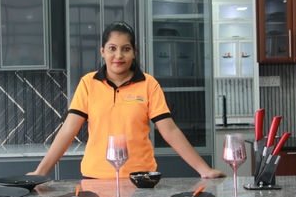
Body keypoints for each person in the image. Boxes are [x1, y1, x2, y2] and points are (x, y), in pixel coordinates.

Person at [29, 21, 225, 179]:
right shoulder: (88, 83)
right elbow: (68, 130)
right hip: (96, 178)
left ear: (134, 52)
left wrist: (204, 169)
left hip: (141, 177)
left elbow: (170, 130)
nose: (119, 55)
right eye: (112, 48)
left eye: (126, 48)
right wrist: (40, 172)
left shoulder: (149, 84)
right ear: (102, 51)